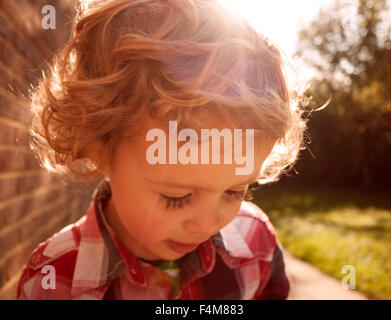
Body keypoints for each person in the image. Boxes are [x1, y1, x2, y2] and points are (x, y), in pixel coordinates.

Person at [17, 0, 306, 300]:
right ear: (99, 146)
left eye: (234, 192)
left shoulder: (256, 243)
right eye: (176, 198)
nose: (208, 224)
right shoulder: (53, 282)